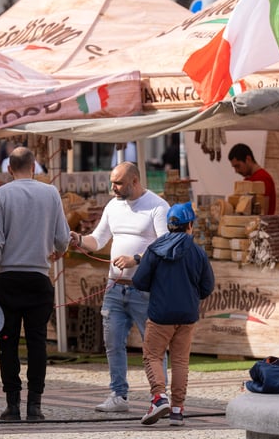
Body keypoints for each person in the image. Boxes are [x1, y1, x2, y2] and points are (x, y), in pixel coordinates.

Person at [0, 146, 71, 421]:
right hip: (39, 278)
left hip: (8, 280)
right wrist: (59, 249)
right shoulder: (50, 192)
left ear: (8, 168)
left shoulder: (1, 195)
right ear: (35, 165)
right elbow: (62, 236)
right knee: (37, 343)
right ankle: (35, 406)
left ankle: (12, 404)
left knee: (7, 342)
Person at [71, 161, 169, 413]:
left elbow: (166, 246)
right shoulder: (113, 206)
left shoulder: (157, 206)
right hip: (115, 287)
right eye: (112, 182)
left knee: (153, 346)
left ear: (135, 181)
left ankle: (159, 397)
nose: (113, 187)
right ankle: (118, 395)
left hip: (145, 290)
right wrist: (79, 239)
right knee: (113, 342)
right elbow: (98, 238)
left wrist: (135, 259)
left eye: (118, 183)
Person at [132, 202, 215, 426]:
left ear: (169, 225)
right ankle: (177, 411)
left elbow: (139, 281)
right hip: (187, 315)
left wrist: (158, 286)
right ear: (190, 225)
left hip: (160, 314)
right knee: (180, 361)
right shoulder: (198, 252)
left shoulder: (156, 249)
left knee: (152, 356)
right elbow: (207, 287)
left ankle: (159, 397)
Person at [228, 143, 276, 215]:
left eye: (237, 166)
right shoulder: (247, 180)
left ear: (248, 159)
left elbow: (264, 213)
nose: (236, 171)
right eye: (234, 167)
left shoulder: (263, 178)